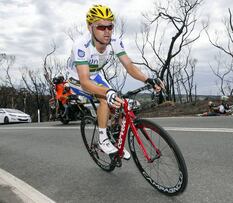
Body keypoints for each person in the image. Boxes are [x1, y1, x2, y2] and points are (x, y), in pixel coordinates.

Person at [67, 5, 163, 158]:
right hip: (77, 78)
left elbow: (130, 66)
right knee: (105, 98)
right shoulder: (81, 46)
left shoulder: (115, 41)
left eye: (110, 26)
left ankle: (114, 138)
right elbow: (85, 81)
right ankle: (103, 140)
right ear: (90, 27)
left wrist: (148, 79)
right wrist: (106, 92)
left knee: (119, 102)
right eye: (101, 27)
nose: (107, 31)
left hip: (95, 75)